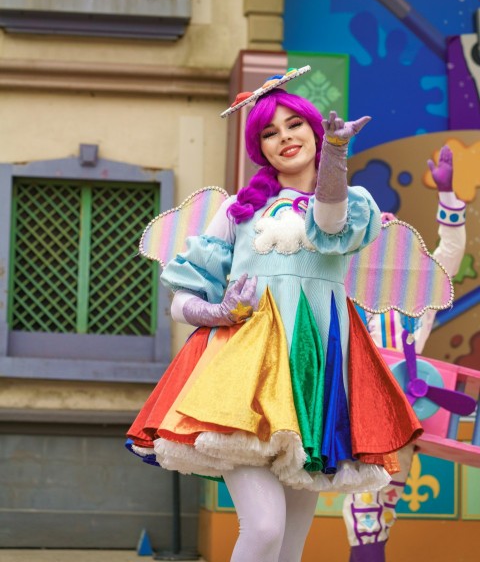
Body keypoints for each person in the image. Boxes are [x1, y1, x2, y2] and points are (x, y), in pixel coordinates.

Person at [127, 76, 421, 562]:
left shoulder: (352, 205)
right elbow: (180, 298)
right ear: (259, 148)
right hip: (241, 383)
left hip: (314, 380)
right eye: (269, 132)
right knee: (264, 529)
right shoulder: (238, 210)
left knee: (289, 546)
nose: (284, 137)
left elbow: (328, 225)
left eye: (295, 124)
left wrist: (336, 156)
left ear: (316, 130)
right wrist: (216, 311)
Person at [342, 144, 466, 562]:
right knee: (363, 508)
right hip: (360, 414)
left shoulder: (421, 299)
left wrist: (448, 197)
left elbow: (450, 250)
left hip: (407, 416)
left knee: (383, 505)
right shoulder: (346, 296)